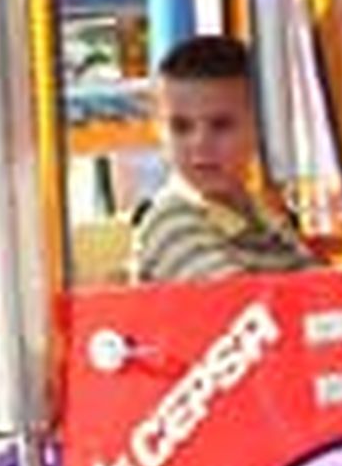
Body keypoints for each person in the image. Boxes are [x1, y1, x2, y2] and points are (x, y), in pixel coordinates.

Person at [131, 33, 320, 283]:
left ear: (261, 125)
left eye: (221, 125)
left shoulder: (262, 216)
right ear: (159, 130)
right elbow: (247, 306)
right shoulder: (172, 223)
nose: (199, 143)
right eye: (181, 127)